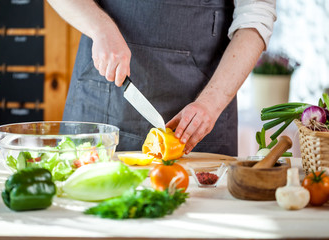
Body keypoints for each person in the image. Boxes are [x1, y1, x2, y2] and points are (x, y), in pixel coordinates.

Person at [47, 0, 276, 156]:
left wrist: (210, 104)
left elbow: (256, 16)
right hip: (100, 98)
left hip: (202, 111)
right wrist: (100, 28)